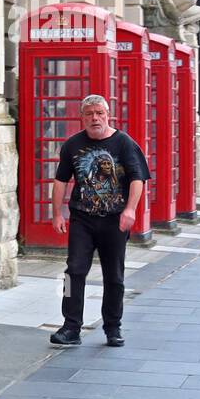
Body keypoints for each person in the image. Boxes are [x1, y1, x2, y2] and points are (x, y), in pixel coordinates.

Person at [48, 94, 151, 348]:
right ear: (81, 117)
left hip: (114, 220)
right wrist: (57, 213)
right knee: (74, 272)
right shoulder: (72, 145)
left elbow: (138, 179)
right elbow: (61, 181)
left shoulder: (124, 143)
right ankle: (71, 327)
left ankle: (113, 327)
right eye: (89, 114)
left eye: (99, 113)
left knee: (114, 276)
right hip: (82, 219)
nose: (95, 118)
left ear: (107, 115)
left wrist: (130, 210)